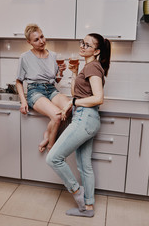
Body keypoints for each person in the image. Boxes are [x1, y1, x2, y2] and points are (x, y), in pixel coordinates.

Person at [46, 33, 111, 217]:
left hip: (85, 119)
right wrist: (74, 74)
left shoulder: (92, 67)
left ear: (96, 51)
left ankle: (77, 191)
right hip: (87, 119)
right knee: (84, 166)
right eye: (82, 42)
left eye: (87, 45)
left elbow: (98, 98)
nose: (82, 46)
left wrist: (72, 104)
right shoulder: (88, 66)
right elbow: (77, 93)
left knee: (53, 158)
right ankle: (88, 207)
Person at [16, 24, 70, 152]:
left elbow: (56, 80)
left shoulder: (53, 55)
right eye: (36, 39)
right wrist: (23, 101)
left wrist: (61, 72)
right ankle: (51, 147)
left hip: (51, 89)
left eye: (42, 37)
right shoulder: (25, 57)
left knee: (69, 107)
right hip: (35, 91)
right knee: (57, 116)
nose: (41, 41)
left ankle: (47, 134)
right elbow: (18, 81)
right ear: (29, 42)